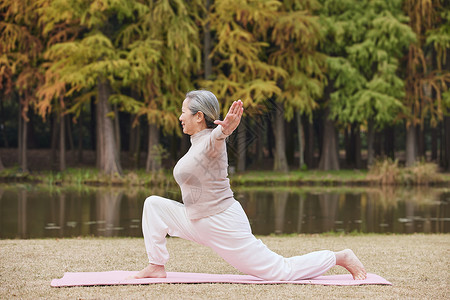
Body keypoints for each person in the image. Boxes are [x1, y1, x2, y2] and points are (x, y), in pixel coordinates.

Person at [132, 90, 367, 281]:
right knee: (153, 205)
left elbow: (219, 137)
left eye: (183, 112)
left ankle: (339, 257)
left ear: (199, 116)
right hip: (197, 220)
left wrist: (226, 129)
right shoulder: (196, 144)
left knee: (279, 272)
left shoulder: (212, 142)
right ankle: (156, 265)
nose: (180, 117)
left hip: (222, 222)